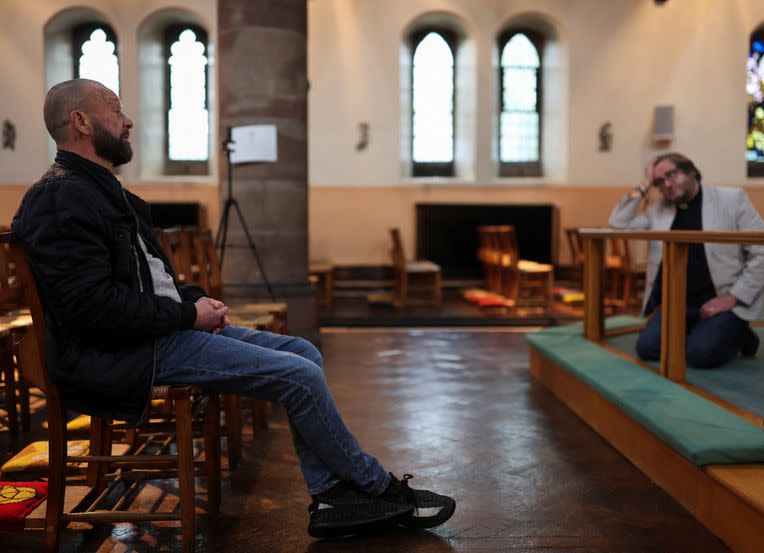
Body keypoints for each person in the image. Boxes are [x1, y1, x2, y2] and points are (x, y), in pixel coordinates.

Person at [12, 78, 455, 538]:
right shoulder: (59, 198)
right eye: (115, 110)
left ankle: (331, 497)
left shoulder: (102, 190)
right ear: (80, 122)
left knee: (305, 353)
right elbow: (92, 310)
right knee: (299, 378)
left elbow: (149, 281)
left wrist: (193, 300)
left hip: (155, 332)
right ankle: (377, 487)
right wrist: (187, 316)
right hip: (124, 353)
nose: (127, 121)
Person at [608, 152, 764, 368]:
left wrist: (732, 299)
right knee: (648, 349)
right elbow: (618, 225)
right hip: (677, 304)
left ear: (691, 171)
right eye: (659, 181)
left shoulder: (732, 200)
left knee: (698, 355)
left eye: (671, 175)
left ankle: (740, 333)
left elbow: (763, 252)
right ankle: (710, 331)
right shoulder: (657, 211)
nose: (667, 184)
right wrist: (644, 186)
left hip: (722, 300)